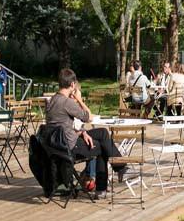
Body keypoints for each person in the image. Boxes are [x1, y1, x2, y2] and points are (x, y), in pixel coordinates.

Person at [45, 68, 125, 199]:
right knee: (100, 146)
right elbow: (89, 117)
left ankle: (120, 169)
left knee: (103, 133)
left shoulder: (51, 101)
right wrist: (79, 99)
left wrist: (82, 132)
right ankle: (103, 186)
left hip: (57, 146)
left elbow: (63, 126)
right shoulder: (67, 102)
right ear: (72, 85)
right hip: (69, 148)